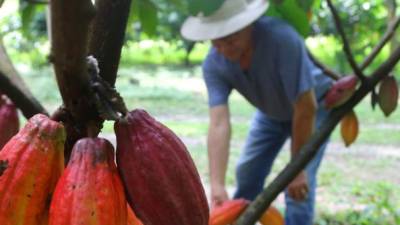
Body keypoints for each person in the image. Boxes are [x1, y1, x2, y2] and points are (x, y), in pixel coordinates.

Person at [180, 0, 332, 224]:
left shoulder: (282, 39)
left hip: (315, 106)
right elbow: (219, 123)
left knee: (298, 186)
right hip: (271, 112)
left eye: (231, 37)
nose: (225, 47)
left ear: (249, 25)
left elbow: (305, 107)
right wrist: (217, 185)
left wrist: (298, 169)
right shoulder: (214, 64)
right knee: (248, 172)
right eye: (217, 40)